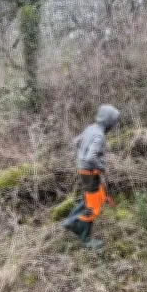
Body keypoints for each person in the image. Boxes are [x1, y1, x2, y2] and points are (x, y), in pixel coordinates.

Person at [61, 104, 120, 249]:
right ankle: (83, 237)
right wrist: (101, 167)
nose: (114, 125)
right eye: (113, 122)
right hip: (90, 172)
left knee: (93, 197)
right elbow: (90, 157)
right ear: (108, 122)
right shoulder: (99, 136)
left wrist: (82, 155)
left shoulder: (90, 128)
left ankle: (70, 220)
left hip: (83, 171)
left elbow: (75, 142)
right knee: (93, 207)